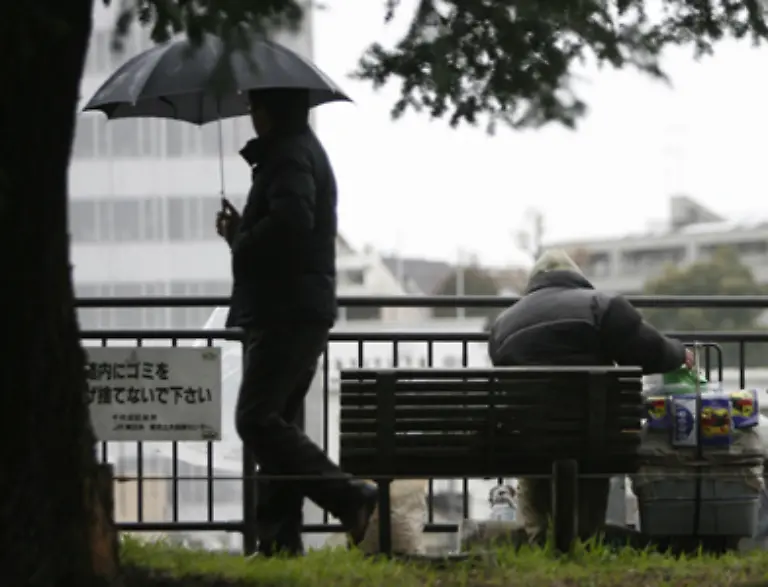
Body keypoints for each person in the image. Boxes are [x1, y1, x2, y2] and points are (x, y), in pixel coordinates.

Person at [215, 88, 377, 557]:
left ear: (271, 111)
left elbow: (291, 222)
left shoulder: (288, 155)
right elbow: (290, 223)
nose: (250, 115)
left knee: (256, 418)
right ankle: (279, 543)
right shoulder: (298, 151)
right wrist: (241, 231)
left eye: (254, 107)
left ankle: (348, 494)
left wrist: (242, 239)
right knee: (278, 421)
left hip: (285, 312)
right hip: (297, 308)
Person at [487, 249, 694, 545]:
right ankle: (583, 537)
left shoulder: (504, 323)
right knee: (593, 436)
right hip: (594, 437)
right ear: (577, 278)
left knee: (540, 443)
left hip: (528, 439)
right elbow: (651, 354)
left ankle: (543, 541)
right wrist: (679, 353)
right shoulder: (602, 306)